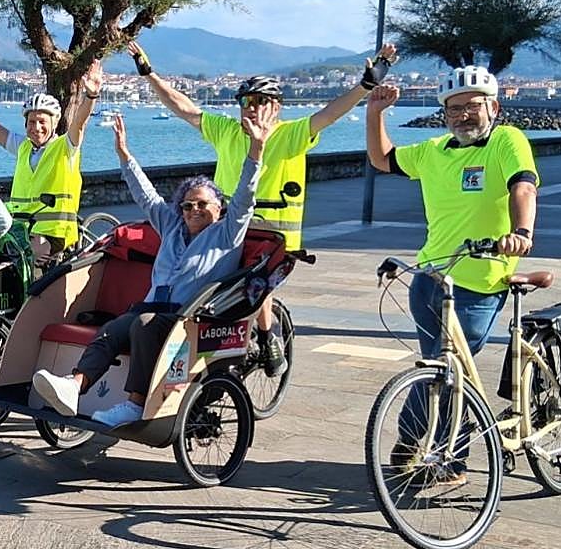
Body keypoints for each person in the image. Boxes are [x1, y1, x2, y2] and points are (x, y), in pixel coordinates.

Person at [127, 39, 398, 377]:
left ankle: (269, 337)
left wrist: (367, 84)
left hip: (275, 237)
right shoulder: (227, 131)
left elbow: (331, 113)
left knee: (255, 284)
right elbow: (183, 107)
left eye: (260, 102)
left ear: (276, 107)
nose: (251, 108)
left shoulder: (292, 134)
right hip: (229, 230)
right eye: (246, 102)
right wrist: (148, 73)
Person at [32, 109, 266, 430]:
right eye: (187, 205)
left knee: (142, 323)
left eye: (202, 204)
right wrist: (124, 155)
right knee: (114, 328)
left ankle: (135, 404)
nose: (193, 210)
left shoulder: (227, 232)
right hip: (153, 310)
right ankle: (74, 386)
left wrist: (257, 149)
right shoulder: (172, 226)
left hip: (190, 318)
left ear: (219, 208)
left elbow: (246, 196)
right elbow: (147, 197)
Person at [366, 66, 537, 360]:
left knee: (442, 377)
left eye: (473, 106)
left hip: (478, 285)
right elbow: (382, 159)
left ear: (493, 107)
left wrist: (521, 233)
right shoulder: (433, 150)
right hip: (428, 281)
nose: (463, 115)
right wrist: (374, 112)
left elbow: (523, 187)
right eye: (454, 108)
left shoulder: (506, 140)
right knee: (438, 377)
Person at [0, 62, 101, 255]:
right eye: (31, 122)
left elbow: (79, 123)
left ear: (54, 123)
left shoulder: (65, 147)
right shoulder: (23, 147)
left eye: (42, 122)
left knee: (31, 261)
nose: (36, 127)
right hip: (20, 228)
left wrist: (90, 96)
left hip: (53, 231)